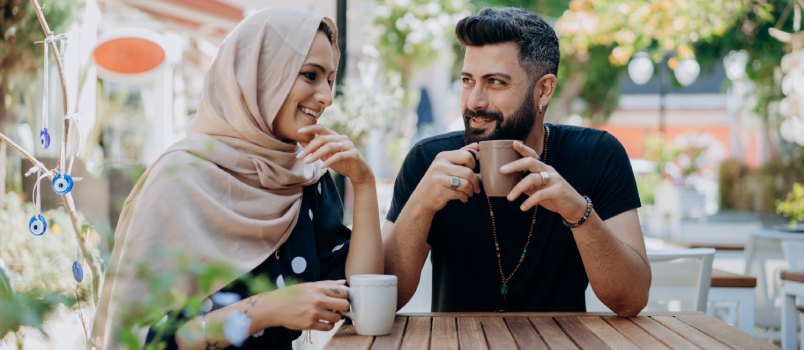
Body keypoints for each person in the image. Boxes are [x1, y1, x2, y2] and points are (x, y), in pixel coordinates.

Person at [92, 7, 383, 349]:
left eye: (330, 80)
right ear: (260, 75)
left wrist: (364, 184)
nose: (326, 97)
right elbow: (145, 339)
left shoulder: (306, 178)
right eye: (310, 75)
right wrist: (264, 310)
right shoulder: (177, 181)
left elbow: (360, 297)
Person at [383, 7, 650, 316]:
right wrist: (421, 204)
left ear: (544, 90)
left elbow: (631, 299)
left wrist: (577, 210)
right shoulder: (430, 161)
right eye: (468, 81)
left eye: (495, 82)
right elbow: (385, 299)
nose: (473, 101)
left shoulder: (597, 154)